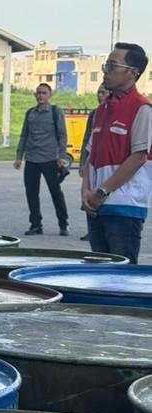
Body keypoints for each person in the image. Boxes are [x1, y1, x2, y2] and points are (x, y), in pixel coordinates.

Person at [81, 42, 151, 264]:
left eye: (112, 65)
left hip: (124, 208)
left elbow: (138, 157)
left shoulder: (142, 108)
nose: (105, 71)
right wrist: (86, 192)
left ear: (132, 73)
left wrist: (101, 191)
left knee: (122, 275)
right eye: (106, 65)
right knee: (98, 273)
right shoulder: (101, 110)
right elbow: (90, 156)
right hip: (96, 207)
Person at [14, 83, 69, 236]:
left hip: (50, 159)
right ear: (35, 95)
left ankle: (63, 224)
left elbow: (62, 135)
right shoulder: (30, 113)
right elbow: (24, 135)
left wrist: (61, 156)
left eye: (44, 93)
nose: (40, 96)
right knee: (31, 193)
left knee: (55, 192)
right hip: (32, 159)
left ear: (50, 95)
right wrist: (19, 157)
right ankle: (36, 225)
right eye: (38, 93)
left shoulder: (55, 112)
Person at [79, 83, 111, 241]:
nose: (100, 96)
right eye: (98, 92)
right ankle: (92, 228)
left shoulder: (115, 112)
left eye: (103, 92)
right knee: (88, 192)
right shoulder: (94, 113)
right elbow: (87, 138)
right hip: (93, 160)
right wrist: (82, 162)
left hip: (108, 161)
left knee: (103, 193)